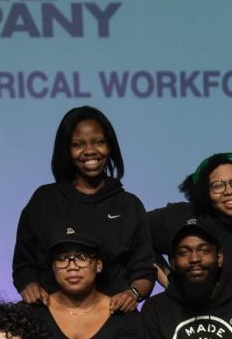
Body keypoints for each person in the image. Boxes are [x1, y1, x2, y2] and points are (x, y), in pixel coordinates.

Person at [13, 106, 156, 313]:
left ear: (110, 147)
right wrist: (30, 286)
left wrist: (132, 294)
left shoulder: (129, 205)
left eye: (98, 142)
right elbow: (24, 264)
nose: (90, 151)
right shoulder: (44, 201)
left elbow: (143, 271)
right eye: (78, 144)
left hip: (113, 317)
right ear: (66, 150)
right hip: (50, 316)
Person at [147, 152, 232, 300]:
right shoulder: (182, 216)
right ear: (205, 192)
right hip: (197, 318)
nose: (229, 191)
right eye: (218, 186)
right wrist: (169, 281)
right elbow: (134, 232)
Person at [24, 229, 146, 339]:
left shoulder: (123, 315)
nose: (72, 266)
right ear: (53, 267)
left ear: (98, 265)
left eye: (82, 258)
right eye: (62, 259)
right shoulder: (33, 314)